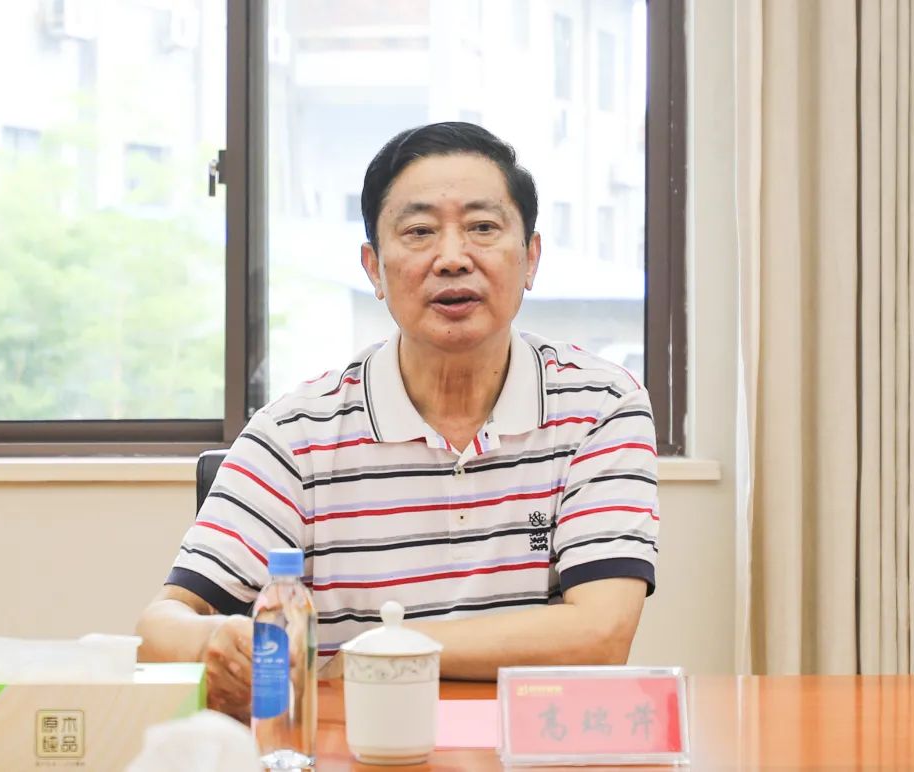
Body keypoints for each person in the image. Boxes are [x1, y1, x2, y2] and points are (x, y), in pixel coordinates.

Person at [137, 122, 659, 721]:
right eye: (419, 232)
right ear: (374, 268)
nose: (453, 258)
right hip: (355, 748)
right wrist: (210, 643)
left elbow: (600, 634)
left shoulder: (600, 405)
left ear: (531, 258)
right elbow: (160, 626)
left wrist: (380, 652)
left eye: (483, 228)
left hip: (532, 749)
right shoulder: (296, 435)